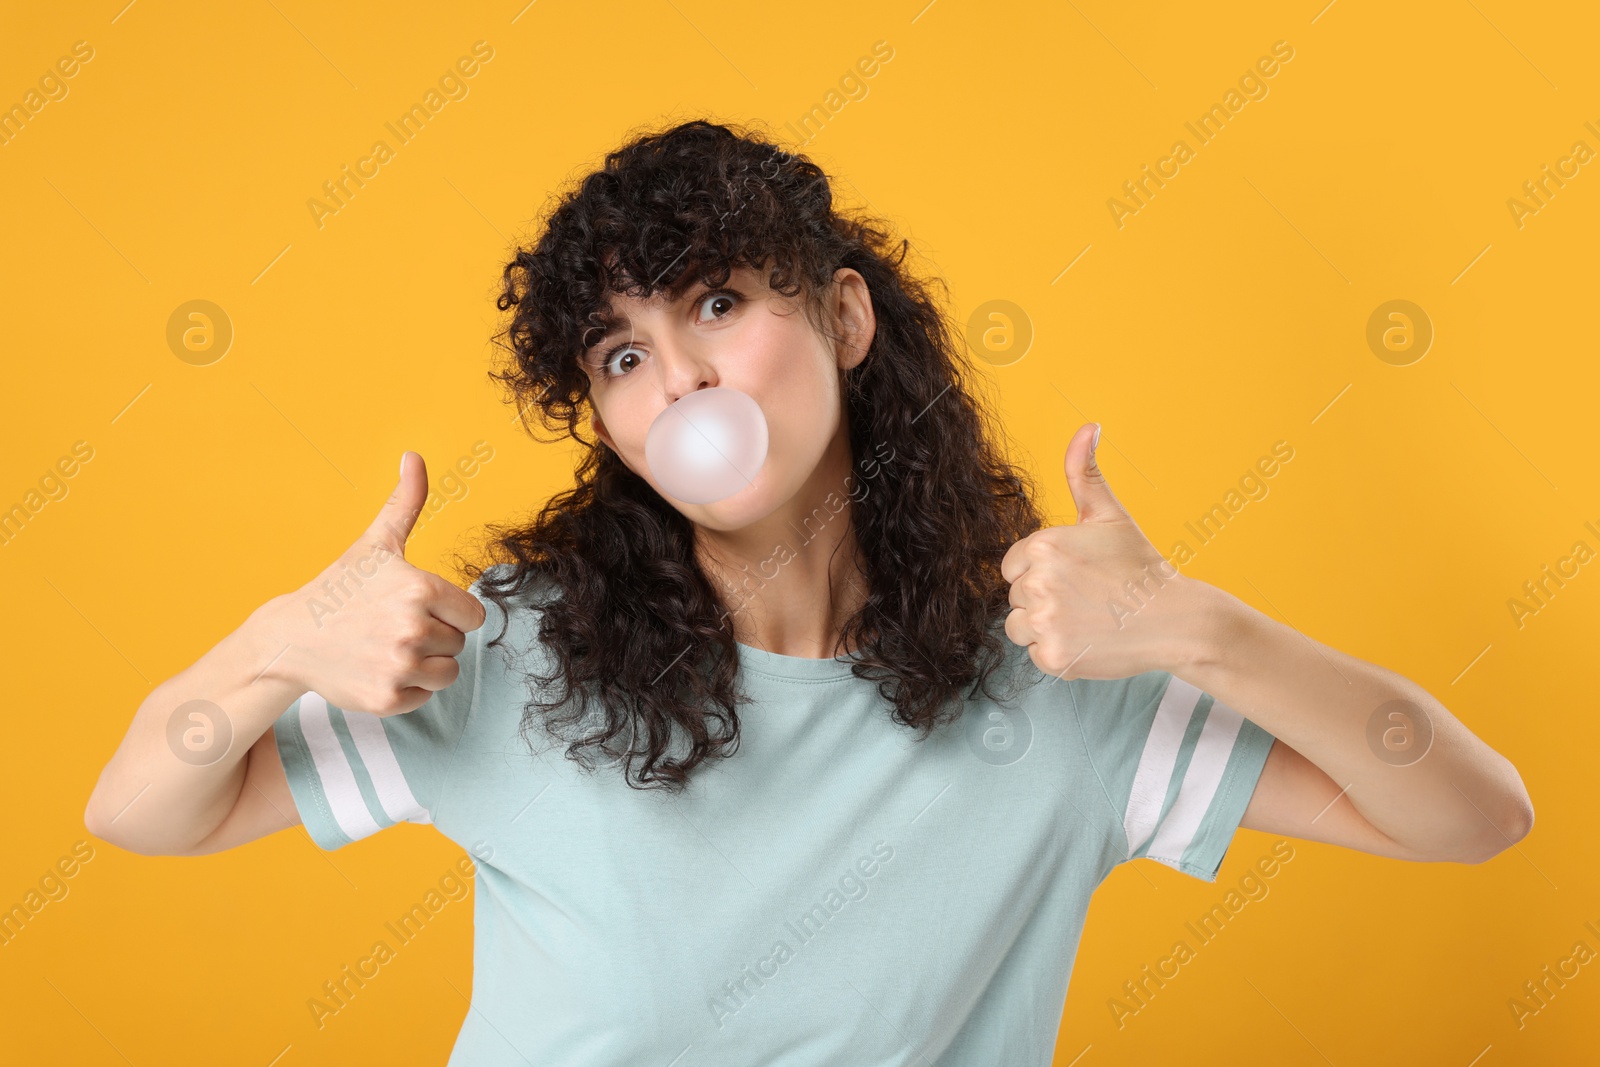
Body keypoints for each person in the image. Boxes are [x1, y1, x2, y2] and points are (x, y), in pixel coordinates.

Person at [85, 119, 1533, 1065]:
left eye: (719, 304)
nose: (687, 382)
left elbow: (1472, 814)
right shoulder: (507, 657)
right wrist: (275, 645)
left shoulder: (1053, 686)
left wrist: (1205, 632)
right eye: (622, 355)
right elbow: (141, 810)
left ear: (844, 316)